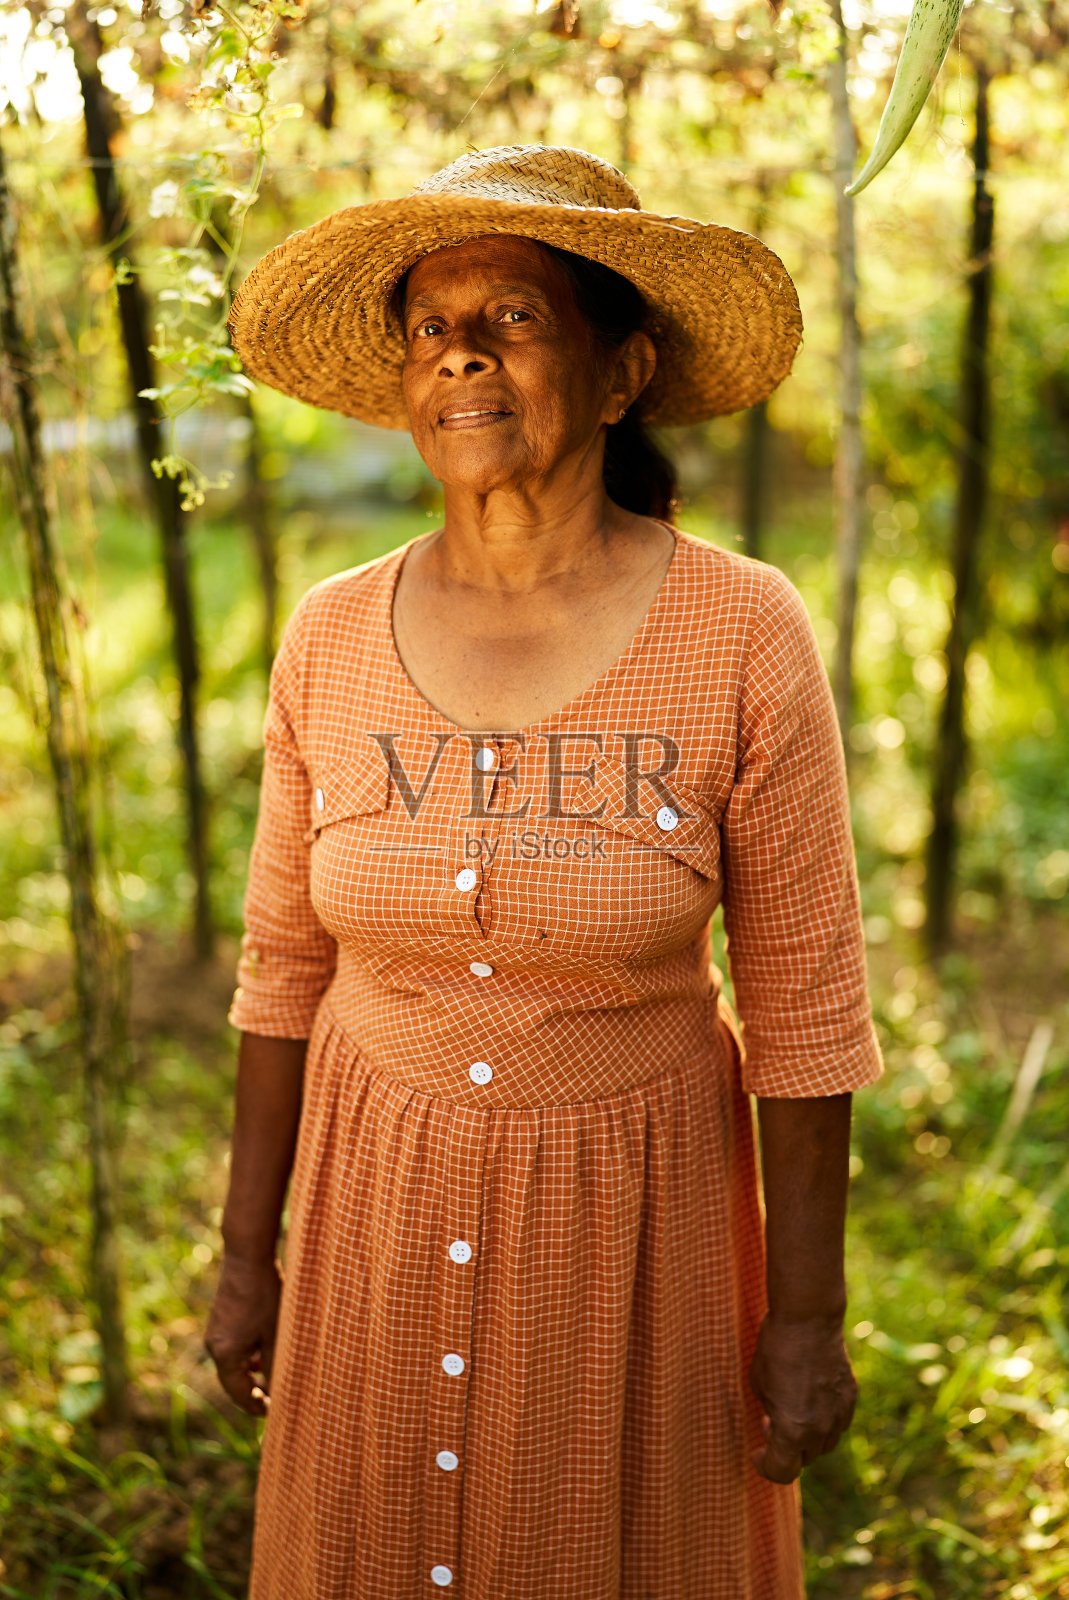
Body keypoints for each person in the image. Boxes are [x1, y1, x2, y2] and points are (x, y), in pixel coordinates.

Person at [209, 144, 883, 1600]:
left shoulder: (739, 629)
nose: (459, 353)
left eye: (510, 316)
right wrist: (246, 1256)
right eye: (427, 328)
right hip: (369, 1215)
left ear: (622, 368)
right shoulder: (328, 634)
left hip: (633, 1234)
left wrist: (805, 1317)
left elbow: (805, 1007)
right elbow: (280, 972)